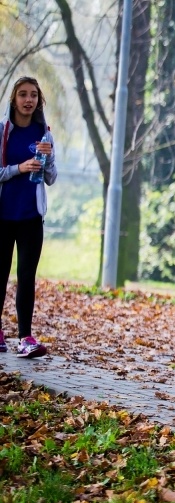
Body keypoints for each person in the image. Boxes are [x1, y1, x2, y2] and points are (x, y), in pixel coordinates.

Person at [0, 76, 57, 358]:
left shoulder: (44, 134)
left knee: (26, 276)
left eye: (33, 95)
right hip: (2, 214)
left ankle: (25, 338)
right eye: (22, 95)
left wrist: (47, 161)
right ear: (14, 99)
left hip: (31, 217)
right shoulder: (2, 132)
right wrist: (19, 168)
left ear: (39, 101)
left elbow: (51, 178)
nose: (28, 100)